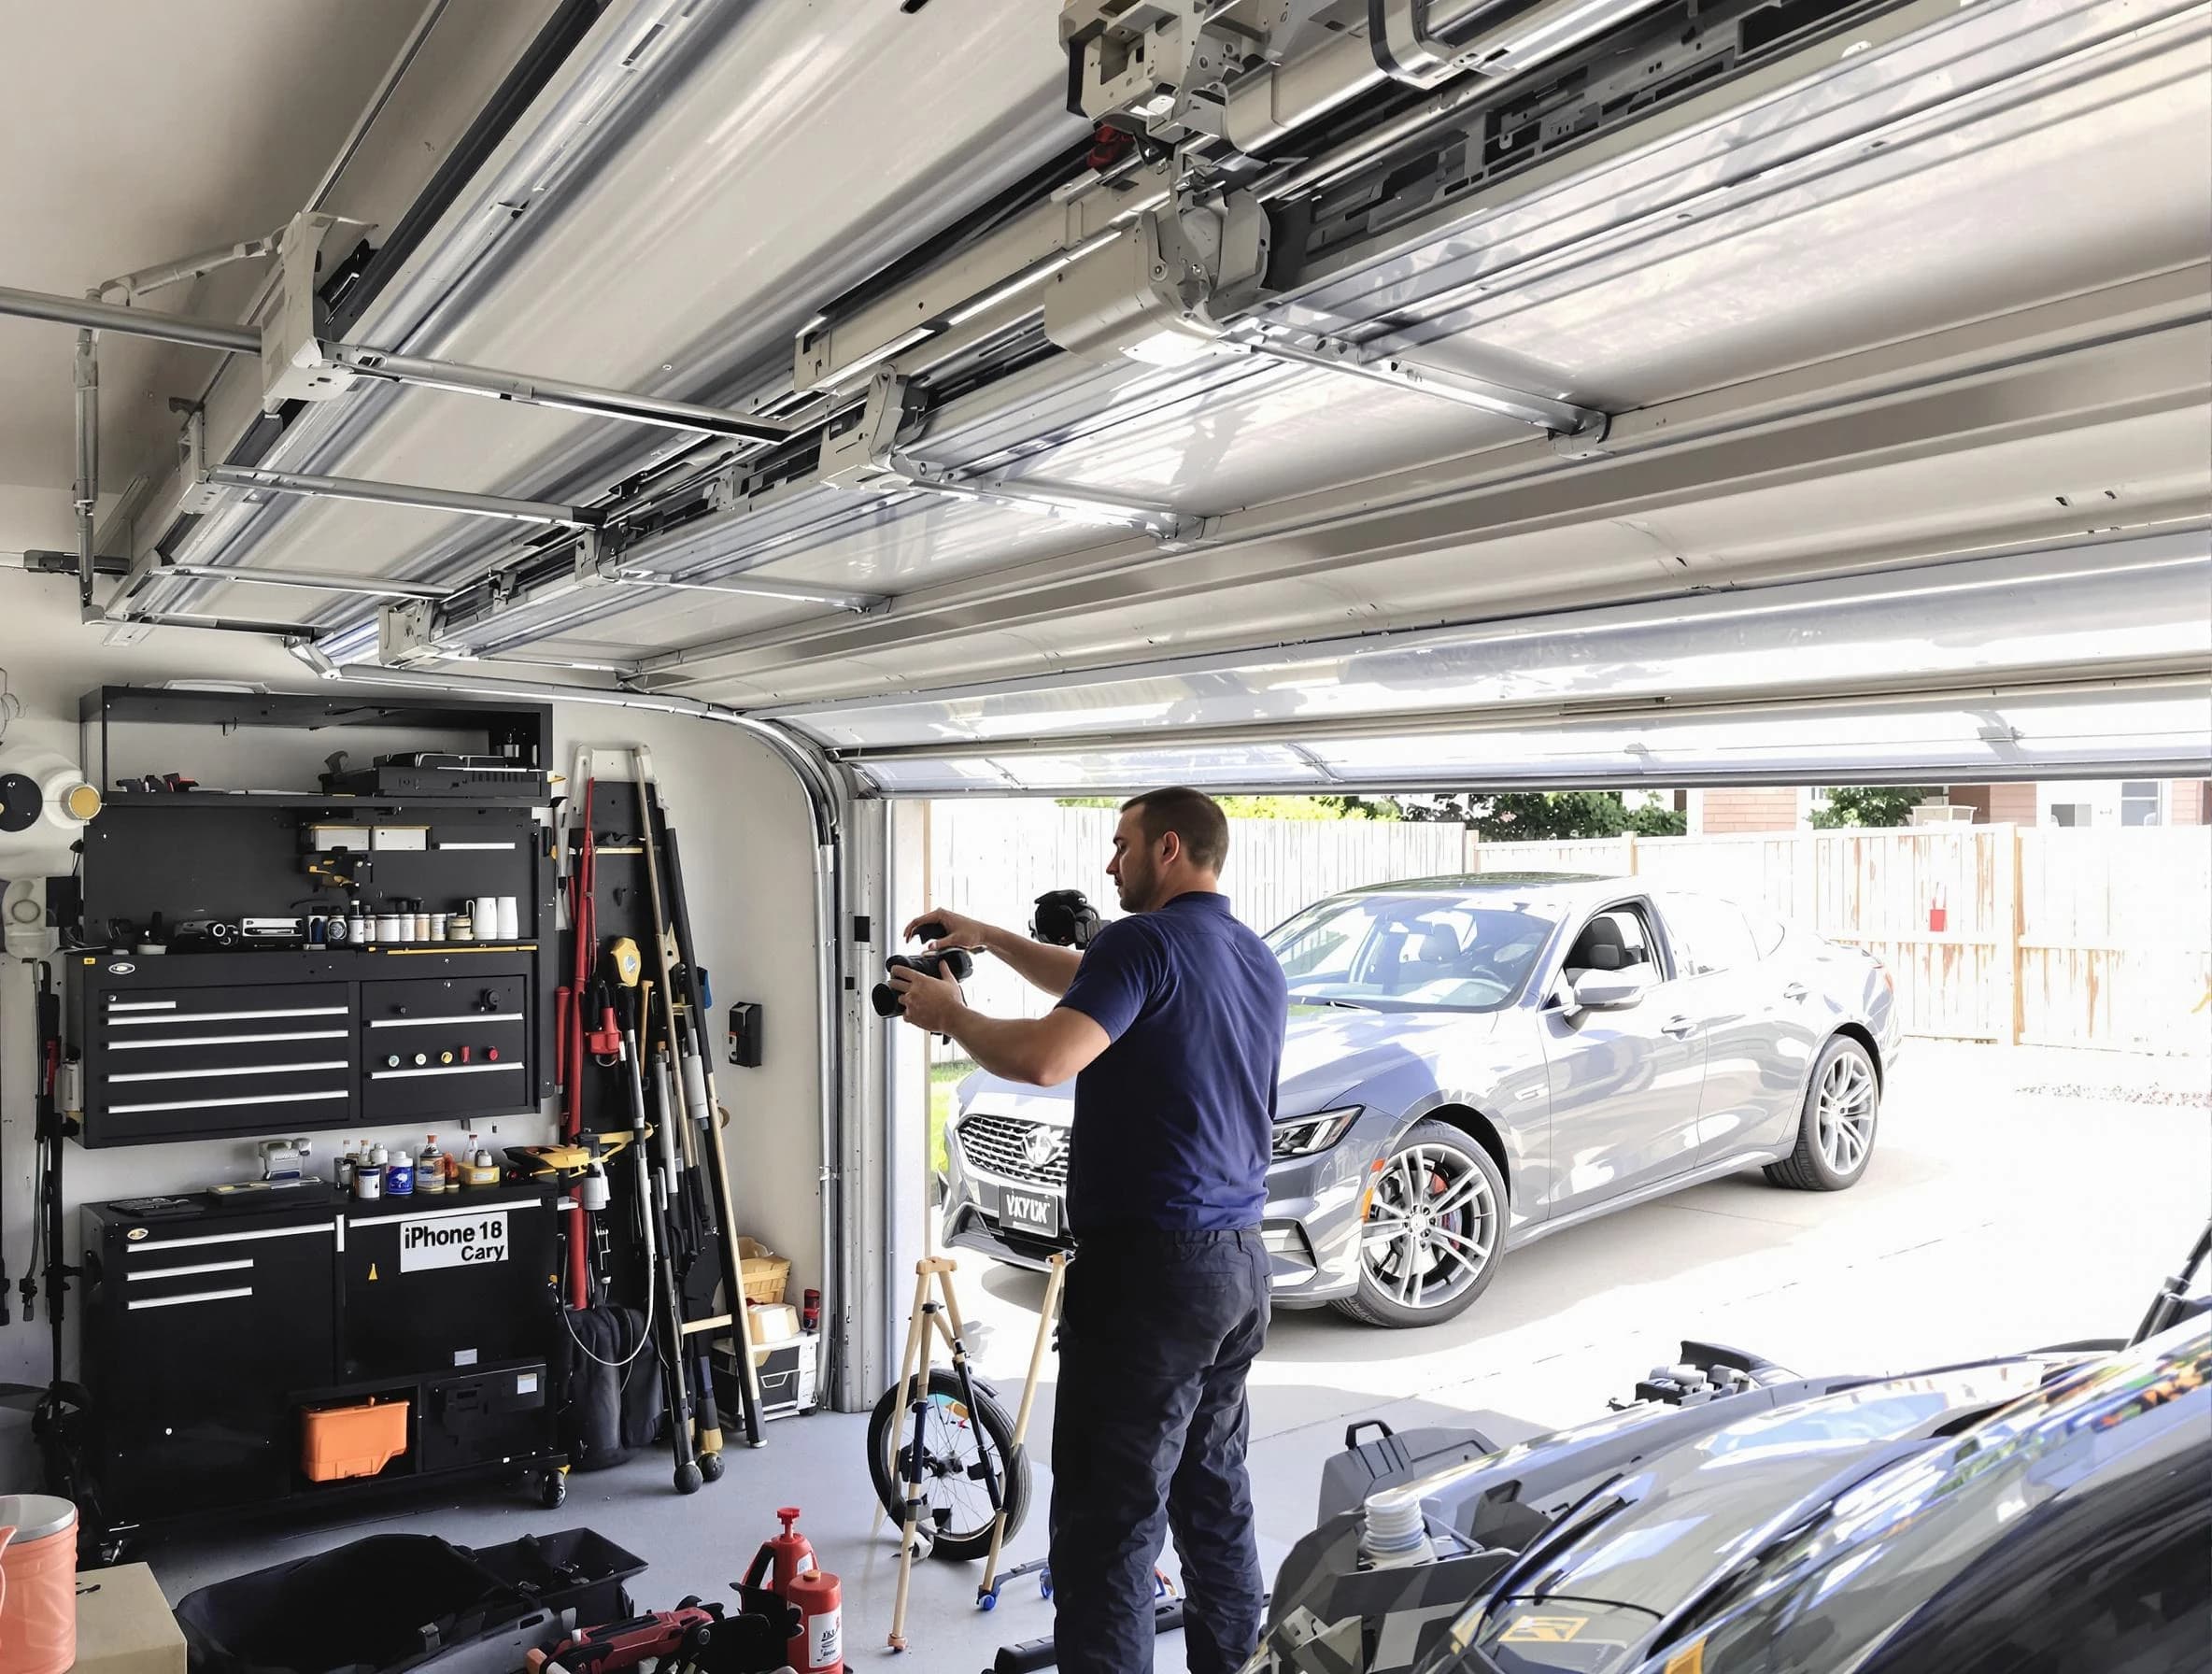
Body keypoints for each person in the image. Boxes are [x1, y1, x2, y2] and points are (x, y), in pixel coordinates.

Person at [887, 787, 1289, 1674]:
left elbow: (1047, 1056)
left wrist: (951, 1016)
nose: (1110, 864)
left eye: (1122, 845)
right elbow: (1091, 978)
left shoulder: (1142, 942)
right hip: (1235, 1268)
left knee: (1108, 1528)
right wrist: (990, 937)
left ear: (1169, 848)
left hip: (1149, 1276)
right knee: (1211, 1499)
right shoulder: (1251, 955)